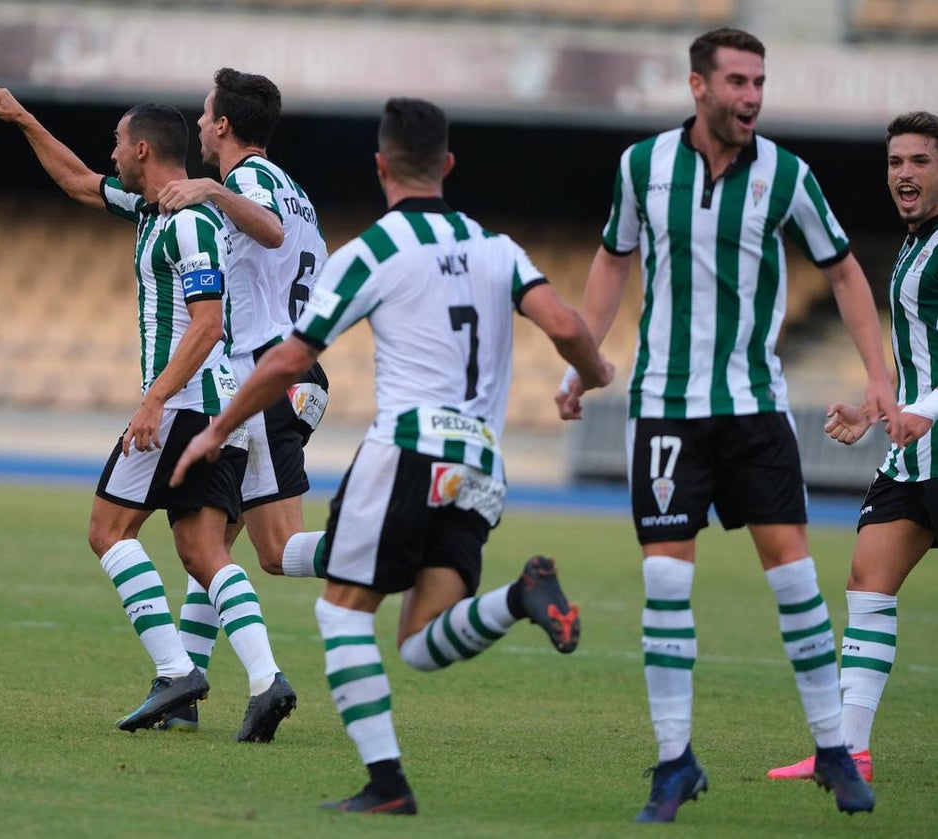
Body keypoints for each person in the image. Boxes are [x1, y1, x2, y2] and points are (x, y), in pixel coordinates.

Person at [171, 97, 613, 814]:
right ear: (448, 165)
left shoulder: (375, 251)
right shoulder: (498, 249)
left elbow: (290, 357)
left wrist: (218, 428)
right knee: (419, 641)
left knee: (342, 615)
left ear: (381, 167)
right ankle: (520, 596)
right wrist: (590, 376)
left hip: (407, 450)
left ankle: (387, 786)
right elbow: (564, 324)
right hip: (480, 464)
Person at [556, 28, 896, 821]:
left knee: (794, 577)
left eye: (759, 83)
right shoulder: (642, 165)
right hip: (665, 409)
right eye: (738, 81)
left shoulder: (787, 174)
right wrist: (582, 359)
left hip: (754, 407)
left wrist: (878, 376)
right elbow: (612, 258)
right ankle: (675, 761)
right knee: (666, 582)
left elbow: (845, 269)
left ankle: (834, 749)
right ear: (698, 86)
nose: (752, 97)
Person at [0, 78, 297, 742]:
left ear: (142, 149)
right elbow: (77, 181)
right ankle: (267, 680)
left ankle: (176, 672)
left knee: (107, 530)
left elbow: (208, 324)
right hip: (211, 408)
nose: (112, 152)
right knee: (202, 552)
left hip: (185, 405)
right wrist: (24, 119)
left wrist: (152, 400)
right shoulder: (152, 210)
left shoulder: (190, 221)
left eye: (118, 141)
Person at [153, 68, 331, 733]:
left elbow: (271, 233)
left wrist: (211, 191)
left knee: (276, 550)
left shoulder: (249, 181)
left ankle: (387, 545)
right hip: (294, 374)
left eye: (205, 116)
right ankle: (182, 691)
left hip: (264, 375)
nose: (199, 126)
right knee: (212, 543)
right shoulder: (295, 189)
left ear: (224, 125)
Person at [768, 110, 938, 785]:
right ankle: (848, 751)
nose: (904, 173)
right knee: (868, 582)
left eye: (920, 160)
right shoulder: (915, 244)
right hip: (916, 453)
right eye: (896, 161)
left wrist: (926, 410)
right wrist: (878, 409)